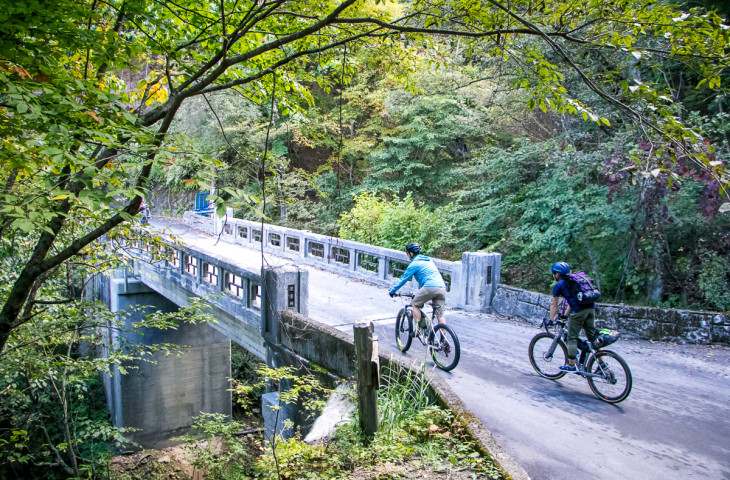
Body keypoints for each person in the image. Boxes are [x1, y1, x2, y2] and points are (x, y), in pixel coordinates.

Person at [549, 261, 599, 372]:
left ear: (557, 274)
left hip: (579, 312)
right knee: (593, 338)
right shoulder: (573, 281)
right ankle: (602, 364)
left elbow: (554, 304)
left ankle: (571, 365)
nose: (553, 275)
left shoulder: (559, 285)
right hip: (590, 308)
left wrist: (551, 320)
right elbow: (573, 301)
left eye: (554, 273)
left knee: (572, 338)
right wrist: (565, 316)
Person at [389, 242, 448, 328]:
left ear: (411, 253)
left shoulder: (414, 264)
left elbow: (403, 279)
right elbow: (425, 277)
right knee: (440, 315)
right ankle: (443, 339)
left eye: (407, 253)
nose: (408, 255)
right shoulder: (428, 260)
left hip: (430, 287)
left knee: (415, 304)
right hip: (442, 287)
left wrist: (392, 291)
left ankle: (418, 330)